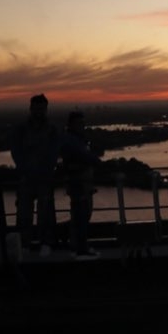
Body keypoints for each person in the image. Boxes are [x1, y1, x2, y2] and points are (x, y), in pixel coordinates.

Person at [10, 93, 61, 257]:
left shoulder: (52, 129)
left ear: (46, 109)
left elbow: (54, 152)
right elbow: (16, 151)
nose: (39, 111)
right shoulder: (21, 129)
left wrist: (47, 168)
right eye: (36, 108)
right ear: (31, 109)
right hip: (26, 177)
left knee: (45, 212)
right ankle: (25, 244)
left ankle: (46, 243)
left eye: (42, 108)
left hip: (44, 177)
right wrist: (24, 169)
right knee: (24, 212)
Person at [60, 111, 103, 260]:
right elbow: (85, 156)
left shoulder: (79, 139)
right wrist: (98, 162)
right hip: (78, 183)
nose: (82, 126)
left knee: (83, 214)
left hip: (84, 183)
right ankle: (80, 248)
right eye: (79, 123)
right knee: (81, 215)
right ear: (71, 125)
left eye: (83, 123)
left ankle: (78, 245)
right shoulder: (71, 140)